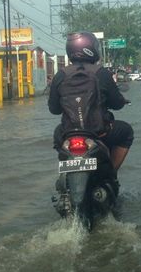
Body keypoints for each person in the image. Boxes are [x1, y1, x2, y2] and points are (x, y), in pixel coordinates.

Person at [48, 31, 133, 171]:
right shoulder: (102, 73)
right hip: (100, 132)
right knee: (126, 132)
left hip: (68, 133)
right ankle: (111, 172)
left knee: (57, 133)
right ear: (91, 49)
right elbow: (117, 105)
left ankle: (66, 173)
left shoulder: (60, 75)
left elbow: (54, 109)